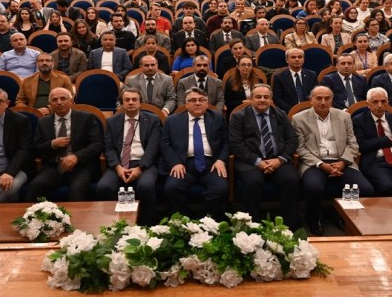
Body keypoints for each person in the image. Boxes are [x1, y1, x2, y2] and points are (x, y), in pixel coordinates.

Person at [292, 86, 373, 235]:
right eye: (319, 98)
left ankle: (343, 216)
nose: (323, 102)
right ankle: (314, 219)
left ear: (332, 100)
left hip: (342, 161)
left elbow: (353, 144)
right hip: (314, 163)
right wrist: (321, 164)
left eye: (327, 98)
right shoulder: (299, 119)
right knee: (313, 187)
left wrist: (342, 162)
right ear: (311, 100)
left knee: (365, 188)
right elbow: (300, 148)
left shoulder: (344, 116)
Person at [229, 84, 300, 229]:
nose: (262, 100)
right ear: (251, 99)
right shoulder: (239, 116)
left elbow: (292, 140)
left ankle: (289, 226)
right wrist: (258, 162)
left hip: (278, 159)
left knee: (291, 180)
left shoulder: (280, 114)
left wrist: (280, 160)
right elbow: (236, 145)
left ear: (271, 100)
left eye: (266, 97)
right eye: (258, 97)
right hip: (250, 161)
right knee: (252, 183)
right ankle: (253, 226)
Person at [160, 87, 229, 219]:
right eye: (192, 100)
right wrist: (175, 163)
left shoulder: (217, 118)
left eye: (201, 100)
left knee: (221, 189)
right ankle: (186, 220)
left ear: (207, 103)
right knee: (172, 188)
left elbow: (226, 143)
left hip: (211, 165)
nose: (197, 103)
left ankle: (204, 220)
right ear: (186, 104)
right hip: (184, 164)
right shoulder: (172, 120)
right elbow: (165, 144)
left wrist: (221, 160)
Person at [25, 88, 103, 202]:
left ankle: (76, 214)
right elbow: (36, 149)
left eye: (63, 99)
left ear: (71, 101)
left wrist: (76, 157)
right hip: (54, 167)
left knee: (77, 189)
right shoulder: (43, 122)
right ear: (50, 104)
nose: (59, 102)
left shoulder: (86, 118)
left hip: (81, 166)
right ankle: (35, 214)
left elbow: (97, 144)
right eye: (55, 100)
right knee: (36, 186)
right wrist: (52, 144)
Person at [97, 88, 162, 225]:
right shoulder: (112, 121)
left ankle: (145, 226)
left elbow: (153, 148)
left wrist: (140, 168)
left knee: (146, 186)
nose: (131, 102)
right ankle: (114, 225)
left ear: (140, 103)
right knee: (104, 187)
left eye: (134, 99)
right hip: (119, 163)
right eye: (127, 100)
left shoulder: (152, 120)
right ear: (121, 104)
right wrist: (118, 167)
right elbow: (108, 148)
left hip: (144, 164)